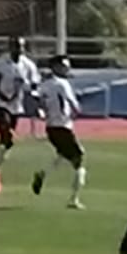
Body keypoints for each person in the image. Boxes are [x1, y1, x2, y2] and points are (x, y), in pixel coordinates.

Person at [30, 56, 88, 208]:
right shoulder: (63, 84)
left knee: (62, 155)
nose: (67, 69)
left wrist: (42, 112)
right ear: (55, 67)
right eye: (64, 66)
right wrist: (76, 111)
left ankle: (43, 174)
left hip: (51, 127)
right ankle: (73, 199)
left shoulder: (45, 84)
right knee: (79, 159)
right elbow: (73, 104)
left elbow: (37, 99)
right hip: (63, 126)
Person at [0, 35, 40, 193]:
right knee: (7, 134)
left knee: (6, 143)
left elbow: (34, 82)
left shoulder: (27, 65)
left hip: (16, 105)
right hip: (0, 104)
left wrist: (33, 94)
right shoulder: (1, 63)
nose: (18, 50)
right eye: (15, 46)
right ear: (10, 47)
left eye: (21, 46)